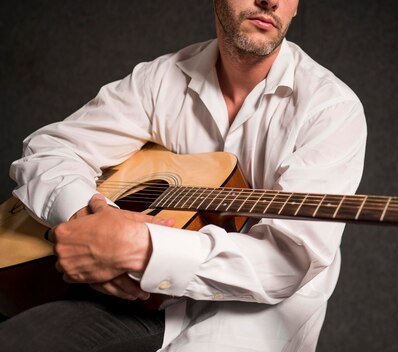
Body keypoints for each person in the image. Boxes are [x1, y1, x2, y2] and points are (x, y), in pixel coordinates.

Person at [0, 0, 366, 351]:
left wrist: (140, 249)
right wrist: (91, 219)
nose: (270, 0)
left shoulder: (330, 109)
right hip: (138, 301)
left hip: (257, 313)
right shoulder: (161, 80)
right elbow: (51, 149)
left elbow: (287, 259)